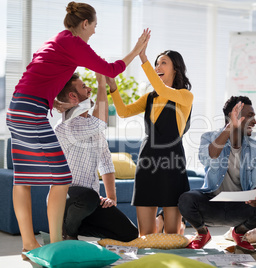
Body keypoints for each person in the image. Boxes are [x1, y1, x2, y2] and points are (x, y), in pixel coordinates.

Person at [5, 1, 149, 257]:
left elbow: (36, 75)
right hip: (31, 112)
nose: (94, 32)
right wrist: (137, 49)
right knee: (61, 177)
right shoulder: (74, 45)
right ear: (85, 24)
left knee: (23, 181)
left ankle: (29, 243)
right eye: (94, 26)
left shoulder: (57, 40)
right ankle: (57, 242)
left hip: (18, 108)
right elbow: (111, 69)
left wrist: (53, 101)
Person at [110, 41, 193, 236]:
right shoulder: (149, 98)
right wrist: (113, 87)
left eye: (163, 62)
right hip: (147, 162)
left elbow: (165, 91)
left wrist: (143, 58)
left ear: (176, 68)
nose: (157, 67)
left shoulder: (185, 96)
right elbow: (123, 112)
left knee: (172, 235)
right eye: (156, 64)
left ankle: (167, 223)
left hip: (172, 162)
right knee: (145, 235)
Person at [178, 96, 256, 250]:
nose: (255, 121)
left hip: (240, 207)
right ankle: (203, 233)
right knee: (186, 199)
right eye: (250, 116)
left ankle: (239, 232)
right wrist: (230, 127)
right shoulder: (209, 137)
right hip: (212, 204)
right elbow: (207, 157)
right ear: (233, 116)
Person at [54, 73, 139, 242]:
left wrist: (111, 198)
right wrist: (102, 83)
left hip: (89, 201)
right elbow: (101, 122)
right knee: (87, 197)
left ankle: (77, 225)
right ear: (73, 96)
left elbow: (106, 162)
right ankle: (68, 231)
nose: (89, 89)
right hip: (67, 199)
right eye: (84, 87)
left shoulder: (94, 129)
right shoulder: (66, 126)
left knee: (129, 234)